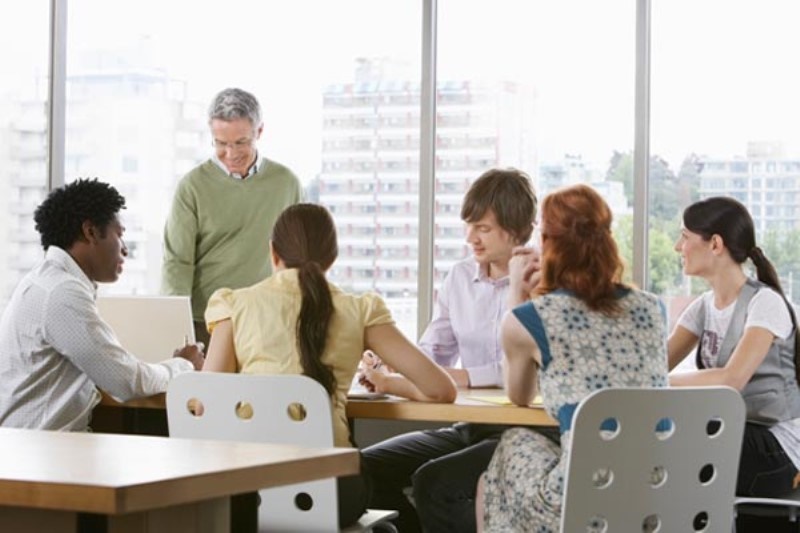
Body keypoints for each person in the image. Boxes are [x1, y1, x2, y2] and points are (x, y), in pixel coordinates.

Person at [202, 203, 457, 528]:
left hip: (245, 491)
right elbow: (440, 389)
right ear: (332, 258)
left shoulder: (234, 305)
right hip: (331, 490)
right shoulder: (360, 310)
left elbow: (205, 403)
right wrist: (388, 383)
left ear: (273, 252)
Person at [477, 184, 669, 532]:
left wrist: (517, 293)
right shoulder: (654, 308)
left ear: (548, 244)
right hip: (660, 496)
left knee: (511, 444)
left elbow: (518, 396)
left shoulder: (531, 318)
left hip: (586, 504)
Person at [361, 168, 538, 533]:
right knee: (362, 468)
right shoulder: (459, 277)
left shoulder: (544, 279)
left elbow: (528, 371)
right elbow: (432, 352)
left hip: (527, 431)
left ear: (518, 228)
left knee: (434, 481)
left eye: (483, 228)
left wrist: (461, 377)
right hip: (471, 426)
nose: (471, 238)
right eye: (469, 226)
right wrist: (393, 366)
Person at [0, 179, 203, 431]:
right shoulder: (62, 292)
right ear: (91, 232)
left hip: (36, 448)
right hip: (41, 455)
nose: (125, 250)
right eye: (120, 234)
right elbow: (125, 382)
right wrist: (184, 364)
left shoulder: (45, 281)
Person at [668, 197, 800, 507]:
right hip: (737, 435)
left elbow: (732, 379)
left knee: (680, 442)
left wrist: (660, 381)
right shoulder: (703, 307)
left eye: (685, 237)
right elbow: (654, 362)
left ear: (715, 244)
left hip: (779, 450)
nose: (677, 247)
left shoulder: (764, 303)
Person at [161, 87, 303, 345]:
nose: (231, 153)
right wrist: (174, 329)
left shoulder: (286, 183)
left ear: (259, 132)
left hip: (266, 321)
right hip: (204, 324)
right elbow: (177, 263)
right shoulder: (192, 186)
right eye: (221, 143)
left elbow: (299, 259)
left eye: (241, 142)